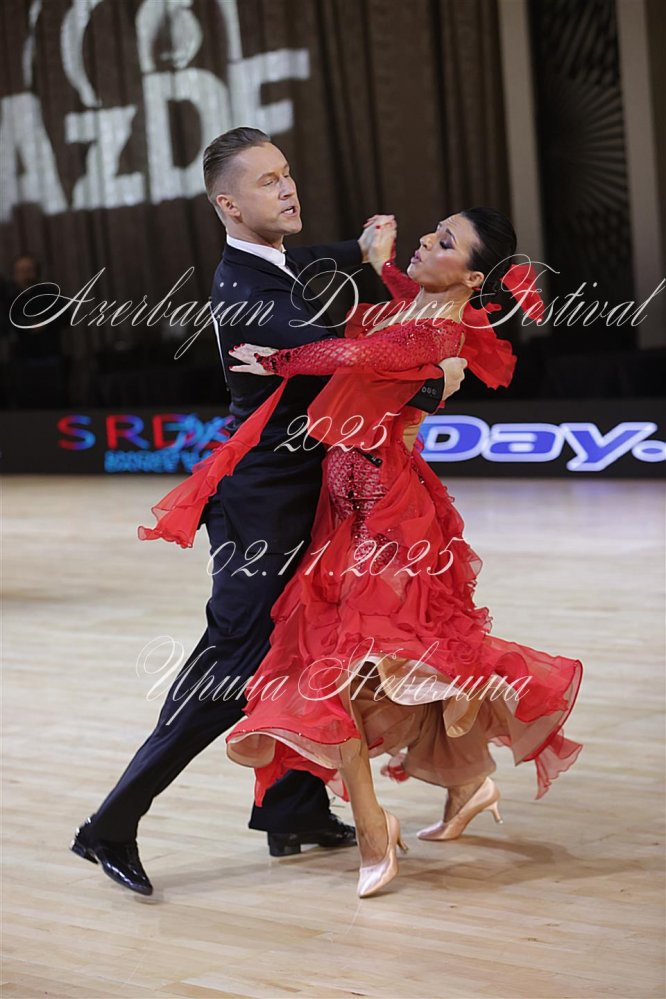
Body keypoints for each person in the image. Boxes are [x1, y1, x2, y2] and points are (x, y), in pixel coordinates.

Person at [71, 127, 465, 896]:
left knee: (306, 650)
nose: (287, 188)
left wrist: (356, 251)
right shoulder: (248, 295)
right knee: (230, 667)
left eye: (287, 174)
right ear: (228, 205)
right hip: (262, 510)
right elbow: (348, 367)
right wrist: (435, 381)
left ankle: (292, 809)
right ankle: (111, 823)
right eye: (266, 182)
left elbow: (304, 261)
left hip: (297, 500)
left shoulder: (267, 264)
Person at [221, 207, 584, 898]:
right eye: (431, 231)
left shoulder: (437, 332)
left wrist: (274, 360)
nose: (425, 241)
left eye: (444, 243)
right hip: (345, 510)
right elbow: (394, 306)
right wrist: (382, 261)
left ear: (472, 277)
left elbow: (356, 355)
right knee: (398, 664)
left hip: (388, 513)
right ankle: (466, 783)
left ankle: (373, 827)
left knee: (349, 669)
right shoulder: (412, 307)